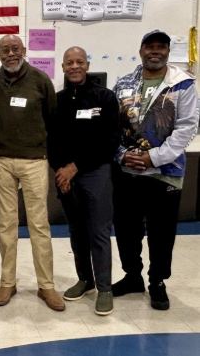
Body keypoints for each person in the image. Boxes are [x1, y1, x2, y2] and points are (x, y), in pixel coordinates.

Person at [112, 30, 199, 310]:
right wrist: (123, 156)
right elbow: (112, 128)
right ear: (141, 50)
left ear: (168, 52)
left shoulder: (183, 84)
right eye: (150, 46)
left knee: (162, 233)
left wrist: (154, 158)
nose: (155, 51)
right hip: (127, 173)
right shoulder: (123, 83)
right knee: (126, 230)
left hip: (166, 173)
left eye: (161, 47)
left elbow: (186, 129)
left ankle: (157, 282)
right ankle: (132, 276)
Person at [0, 35, 65, 312]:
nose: (10, 53)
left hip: (34, 161)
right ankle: (8, 282)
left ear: (24, 51)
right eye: (5, 50)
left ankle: (46, 286)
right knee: (5, 224)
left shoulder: (41, 81)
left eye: (15, 49)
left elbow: (51, 119)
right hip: (2, 160)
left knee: (39, 224)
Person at [49, 47, 120, 316]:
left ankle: (104, 289)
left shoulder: (105, 98)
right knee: (77, 231)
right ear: (64, 67)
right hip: (64, 177)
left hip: (95, 173)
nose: (75, 66)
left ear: (87, 64)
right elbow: (52, 141)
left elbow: (110, 142)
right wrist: (60, 171)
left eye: (80, 62)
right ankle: (85, 280)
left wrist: (74, 167)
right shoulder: (58, 101)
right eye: (70, 63)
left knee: (99, 232)